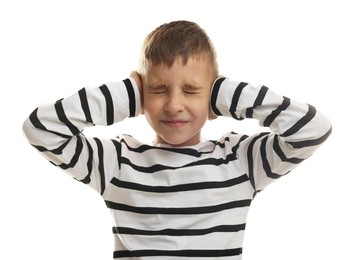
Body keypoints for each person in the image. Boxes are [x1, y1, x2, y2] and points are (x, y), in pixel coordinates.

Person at [23, 20, 332, 259]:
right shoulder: (117, 162)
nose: (173, 104)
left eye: (192, 90)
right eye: (158, 90)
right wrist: (128, 94)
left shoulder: (240, 160)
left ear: (212, 96)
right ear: (141, 93)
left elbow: (313, 129)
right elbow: (40, 128)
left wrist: (225, 94)